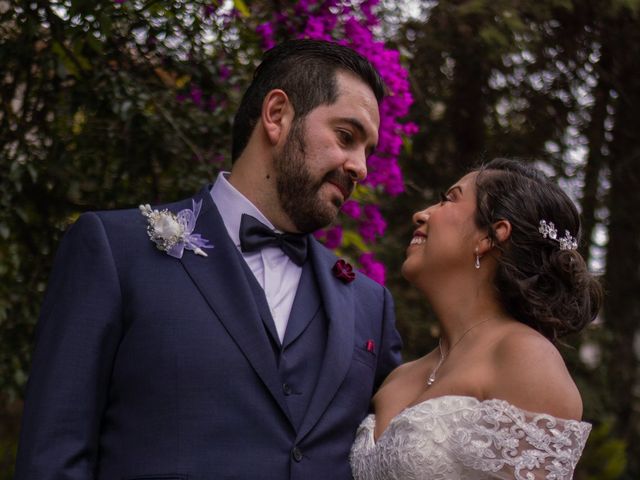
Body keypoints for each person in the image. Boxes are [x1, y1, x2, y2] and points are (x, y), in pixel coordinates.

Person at [14, 39, 402, 480]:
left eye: (368, 151)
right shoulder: (115, 251)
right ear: (277, 115)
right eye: (346, 137)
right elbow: (53, 457)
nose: (361, 168)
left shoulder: (371, 305)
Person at [350, 158, 602, 480]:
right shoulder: (398, 377)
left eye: (449, 199)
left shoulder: (524, 358)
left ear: (491, 236)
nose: (422, 213)